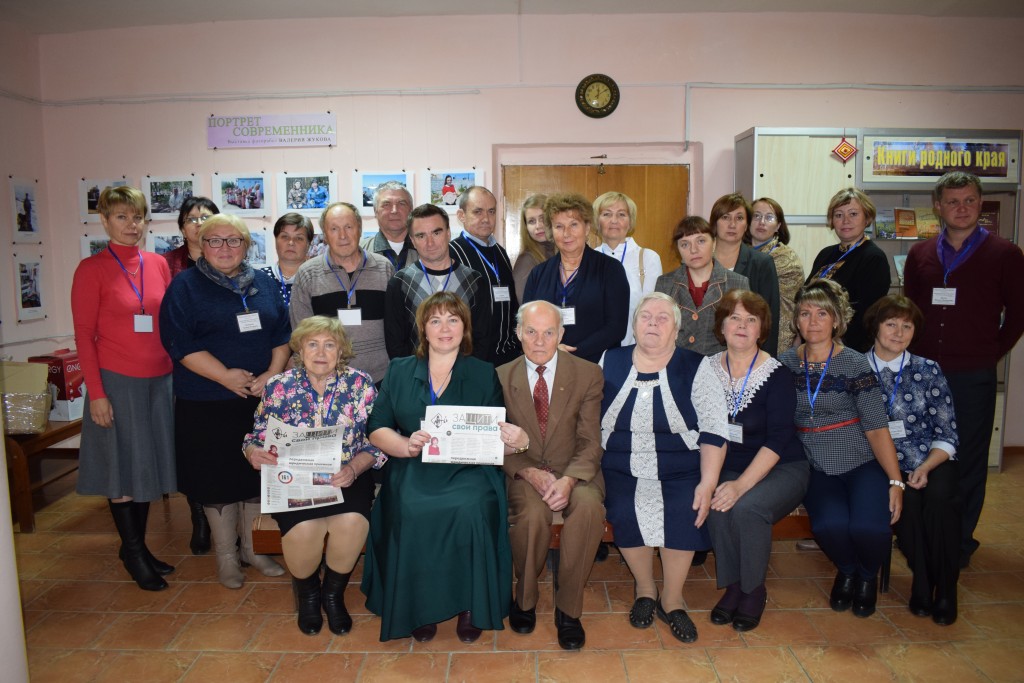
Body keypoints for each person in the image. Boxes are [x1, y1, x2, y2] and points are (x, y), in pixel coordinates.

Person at [362, 291, 514, 643]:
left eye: (453, 319)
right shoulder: (399, 370)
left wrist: (509, 436)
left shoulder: (483, 373)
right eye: (435, 320)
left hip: (469, 469)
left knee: (474, 507)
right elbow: (377, 425)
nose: (444, 328)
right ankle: (417, 605)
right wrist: (405, 445)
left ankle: (470, 604)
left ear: (465, 328)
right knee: (411, 507)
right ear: (423, 330)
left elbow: (495, 430)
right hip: (414, 466)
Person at [160, 213, 291, 589]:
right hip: (206, 401)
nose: (224, 248)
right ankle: (227, 557)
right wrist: (224, 376)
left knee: (253, 476)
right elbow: (179, 344)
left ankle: (253, 550)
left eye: (234, 240)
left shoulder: (263, 283)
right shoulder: (185, 287)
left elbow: (282, 335)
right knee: (217, 480)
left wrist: (271, 374)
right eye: (215, 241)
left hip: (257, 401)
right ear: (201, 244)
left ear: (246, 245)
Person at [905, 171, 1024, 569]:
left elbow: (1019, 314)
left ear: (980, 204)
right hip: (922, 375)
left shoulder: (1005, 254)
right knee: (921, 452)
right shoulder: (920, 254)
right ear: (937, 206)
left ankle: (958, 543)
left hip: (972, 375)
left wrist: (991, 352)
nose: (961, 208)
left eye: (969, 201)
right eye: (953, 201)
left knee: (969, 458)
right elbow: (909, 312)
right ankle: (920, 533)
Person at [243, 316, 385, 635]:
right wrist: (254, 452)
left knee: (351, 523)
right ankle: (308, 595)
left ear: (341, 351)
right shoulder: (279, 385)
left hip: (345, 475)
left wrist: (354, 468)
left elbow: (377, 439)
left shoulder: (359, 384)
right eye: (313, 344)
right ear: (300, 350)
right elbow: (255, 435)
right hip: (294, 479)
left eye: (329, 345)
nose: (321, 352)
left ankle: (332, 595)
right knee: (305, 528)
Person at [600, 292, 728, 643]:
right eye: (645, 316)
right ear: (634, 324)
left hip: (681, 464)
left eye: (662, 318)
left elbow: (715, 428)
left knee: (682, 510)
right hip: (619, 463)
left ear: (676, 329)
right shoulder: (608, 360)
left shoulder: (697, 366)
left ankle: (672, 598)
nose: (653, 323)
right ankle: (645, 589)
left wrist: (708, 481)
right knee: (625, 509)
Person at [71, 186, 176, 591]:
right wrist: (96, 393)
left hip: (159, 380)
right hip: (116, 383)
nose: (132, 225)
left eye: (138, 217)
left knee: (146, 467)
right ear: (104, 220)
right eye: (121, 217)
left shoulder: (157, 264)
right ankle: (132, 551)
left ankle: (139, 547)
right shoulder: (91, 269)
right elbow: (83, 336)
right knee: (121, 468)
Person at [779, 279, 904, 618]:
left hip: (860, 459)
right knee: (828, 527)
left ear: (836, 320)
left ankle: (866, 576)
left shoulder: (854, 363)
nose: (813, 321)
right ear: (796, 321)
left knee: (870, 527)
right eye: (805, 314)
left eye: (822, 313)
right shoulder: (785, 363)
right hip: (814, 464)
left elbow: (877, 428)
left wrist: (895, 481)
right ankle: (847, 569)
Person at [497, 300, 605, 650]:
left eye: (548, 332)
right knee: (531, 515)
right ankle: (524, 599)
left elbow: (591, 441)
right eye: (531, 331)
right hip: (524, 468)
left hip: (575, 469)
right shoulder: (500, 376)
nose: (540, 341)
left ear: (561, 334)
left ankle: (569, 609)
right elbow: (493, 445)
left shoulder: (587, 373)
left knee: (589, 510)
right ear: (518, 334)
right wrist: (527, 471)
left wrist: (570, 479)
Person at [705, 290, 809, 632]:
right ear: (721, 325)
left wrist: (740, 486)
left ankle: (753, 591)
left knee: (747, 507)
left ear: (762, 329)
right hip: (727, 462)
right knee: (718, 501)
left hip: (781, 466)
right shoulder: (706, 368)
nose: (742, 325)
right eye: (734, 317)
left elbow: (779, 439)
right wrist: (718, 482)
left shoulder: (776, 374)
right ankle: (733, 586)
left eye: (752, 320)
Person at [863, 295, 960, 625]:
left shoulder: (928, 369)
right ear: (875, 326)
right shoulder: (857, 369)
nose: (898, 331)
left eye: (907, 325)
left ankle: (945, 590)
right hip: (879, 464)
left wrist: (925, 466)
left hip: (929, 459)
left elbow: (947, 431)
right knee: (906, 507)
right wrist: (897, 474)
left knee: (939, 500)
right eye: (891, 323)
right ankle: (923, 582)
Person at [290, 203, 394, 384]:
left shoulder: (384, 267)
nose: (343, 236)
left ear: (359, 229)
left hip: (381, 379)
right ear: (325, 235)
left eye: (348, 227)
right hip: (327, 381)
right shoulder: (307, 273)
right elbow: (300, 334)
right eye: (334, 229)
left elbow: (396, 327)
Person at [523, 193, 629, 364]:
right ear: (551, 230)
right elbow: (526, 323)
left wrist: (570, 353)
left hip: (597, 365)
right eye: (559, 226)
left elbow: (616, 328)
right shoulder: (538, 274)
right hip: (548, 365)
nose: (567, 233)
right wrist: (551, 352)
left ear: (587, 228)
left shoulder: (610, 269)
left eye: (574, 225)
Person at [384, 203, 491, 360]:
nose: (430, 243)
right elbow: (395, 344)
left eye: (436, 233)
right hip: (417, 379)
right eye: (421, 236)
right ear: (412, 240)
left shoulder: (474, 280)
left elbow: (482, 339)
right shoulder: (400, 282)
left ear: (448, 233)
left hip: (464, 377)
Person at [806, 188, 891, 353]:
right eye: (838, 215)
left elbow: (866, 315)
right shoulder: (825, 254)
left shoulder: (874, 258)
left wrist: (834, 342)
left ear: (867, 218)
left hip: (848, 348)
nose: (845, 221)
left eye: (853, 214)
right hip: (815, 342)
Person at [655, 216, 749, 356]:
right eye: (685, 244)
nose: (693, 250)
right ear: (678, 250)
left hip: (721, 367)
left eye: (701, 241)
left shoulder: (738, 283)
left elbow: (743, 333)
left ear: (714, 243)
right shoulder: (665, 283)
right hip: (675, 364)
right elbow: (659, 330)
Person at [450, 186, 521, 365]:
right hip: (472, 358)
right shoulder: (452, 253)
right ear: (461, 215)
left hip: (508, 354)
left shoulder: (500, 252)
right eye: (477, 212)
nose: (486, 219)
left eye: (491, 211)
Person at [708, 193, 781, 356]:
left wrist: (764, 363)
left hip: (747, 355)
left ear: (747, 224)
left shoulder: (762, 264)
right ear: (714, 223)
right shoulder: (700, 261)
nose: (732, 224)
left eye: (739, 218)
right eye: (725, 217)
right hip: (704, 355)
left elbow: (770, 320)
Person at [593, 191, 664, 346]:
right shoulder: (588, 260)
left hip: (634, 349)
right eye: (606, 214)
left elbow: (650, 310)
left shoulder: (648, 258)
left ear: (630, 222)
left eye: (621, 215)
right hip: (595, 350)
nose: (614, 220)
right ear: (596, 221)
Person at [746, 197, 805, 351]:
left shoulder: (786, 258)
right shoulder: (740, 251)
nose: (762, 222)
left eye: (769, 217)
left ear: (778, 225)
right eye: (756, 216)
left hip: (777, 336)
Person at [360, 180, 418, 269]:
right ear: (375, 211)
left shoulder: (427, 248)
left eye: (401, 204)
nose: (394, 210)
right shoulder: (359, 251)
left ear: (411, 210)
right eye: (386, 204)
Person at [260, 213, 313, 307]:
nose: (291, 242)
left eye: (299, 238)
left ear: (308, 244)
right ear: (276, 240)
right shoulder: (260, 279)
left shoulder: (318, 279)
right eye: (285, 236)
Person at [511, 194, 555, 304]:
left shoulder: (562, 253)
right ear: (526, 227)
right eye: (531, 221)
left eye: (543, 219)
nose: (538, 226)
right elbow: (525, 307)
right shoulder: (526, 260)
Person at [163, 196, 219, 280]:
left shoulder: (229, 258)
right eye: (192, 219)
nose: (199, 223)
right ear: (183, 230)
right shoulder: (166, 262)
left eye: (206, 218)